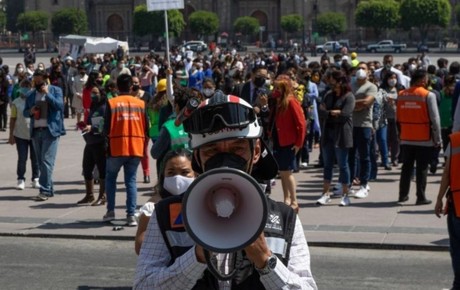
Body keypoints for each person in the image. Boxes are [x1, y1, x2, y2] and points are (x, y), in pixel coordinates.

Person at [134, 93, 317, 289]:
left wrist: (266, 261)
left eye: (237, 149)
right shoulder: (165, 215)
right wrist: (196, 258)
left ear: (255, 152)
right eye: (211, 152)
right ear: (197, 157)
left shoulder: (284, 218)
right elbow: (143, 285)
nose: (224, 161)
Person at [102, 74, 148, 226]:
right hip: (135, 147)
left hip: (116, 147)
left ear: (117, 87)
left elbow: (106, 127)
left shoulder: (112, 103)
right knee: (131, 181)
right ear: (131, 87)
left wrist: (105, 146)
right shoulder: (141, 104)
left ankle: (110, 211)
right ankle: (130, 215)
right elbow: (146, 127)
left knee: (111, 179)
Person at [135, 148, 195, 255]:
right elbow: (140, 248)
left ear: (195, 174)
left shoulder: (206, 203)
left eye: (185, 172)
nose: (177, 178)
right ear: (163, 175)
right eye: (171, 173)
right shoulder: (152, 207)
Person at [397, 69, 441, 205]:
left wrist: (400, 135)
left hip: (406, 136)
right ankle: (420, 197)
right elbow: (435, 119)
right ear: (422, 80)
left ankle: (402, 195)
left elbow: (398, 117)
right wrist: (438, 139)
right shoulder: (428, 95)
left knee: (406, 168)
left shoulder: (401, 94)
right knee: (422, 168)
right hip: (424, 138)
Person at [23, 69, 66, 201]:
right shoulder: (31, 94)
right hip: (36, 131)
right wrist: (30, 111)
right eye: (35, 80)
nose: (37, 83)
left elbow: (60, 106)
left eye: (39, 80)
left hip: (50, 131)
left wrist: (48, 95)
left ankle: (45, 190)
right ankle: (49, 189)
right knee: (41, 163)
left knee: (47, 161)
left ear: (45, 79)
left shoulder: (55, 90)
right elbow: (25, 112)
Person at [316, 71, 355, 206]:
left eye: (333, 80)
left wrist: (333, 112)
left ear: (340, 82)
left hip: (342, 135)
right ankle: (325, 194)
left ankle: (345, 195)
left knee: (343, 165)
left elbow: (345, 114)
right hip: (328, 134)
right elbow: (321, 111)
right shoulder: (328, 95)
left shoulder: (349, 97)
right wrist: (332, 112)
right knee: (327, 165)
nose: (330, 83)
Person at [268, 75, 306, 212]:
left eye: (278, 88)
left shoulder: (291, 102)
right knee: (283, 172)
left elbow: (301, 124)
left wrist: (298, 143)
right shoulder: (277, 102)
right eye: (275, 87)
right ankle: (286, 198)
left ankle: (294, 201)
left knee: (287, 172)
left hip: (288, 142)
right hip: (278, 140)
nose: (275, 90)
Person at [434, 129, 460, 290]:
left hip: (457, 205)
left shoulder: (456, 141)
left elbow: (446, 174)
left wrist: (439, 199)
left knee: (457, 249)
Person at [349, 63, 377, 199]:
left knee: (365, 156)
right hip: (350, 125)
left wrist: (350, 105)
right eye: (358, 68)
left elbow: (366, 103)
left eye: (363, 68)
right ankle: (349, 183)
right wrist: (354, 105)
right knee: (350, 156)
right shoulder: (350, 85)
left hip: (364, 125)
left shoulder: (371, 87)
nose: (360, 70)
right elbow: (344, 102)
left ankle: (364, 185)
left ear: (368, 72)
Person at [76, 85, 107, 206]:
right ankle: (89, 195)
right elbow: (90, 122)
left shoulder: (105, 108)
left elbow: (104, 125)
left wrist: (92, 127)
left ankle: (102, 195)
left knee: (102, 170)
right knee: (87, 168)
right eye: (91, 93)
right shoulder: (94, 106)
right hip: (90, 141)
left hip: (100, 142)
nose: (92, 95)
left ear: (101, 94)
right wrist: (84, 125)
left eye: (95, 93)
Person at [8, 79, 39, 190]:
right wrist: (11, 135)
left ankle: (35, 178)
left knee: (35, 158)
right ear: (20, 88)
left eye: (28, 86)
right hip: (20, 134)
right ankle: (20, 179)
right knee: (22, 158)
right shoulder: (16, 102)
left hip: (34, 133)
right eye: (24, 86)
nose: (26, 88)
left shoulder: (35, 100)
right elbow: (12, 119)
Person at [132, 76, 152, 184]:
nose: (134, 84)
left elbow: (151, 111)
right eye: (132, 82)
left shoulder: (147, 95)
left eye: (136, 82)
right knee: (133, 153)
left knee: (144, 152)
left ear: (140, 83)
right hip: (131, 128)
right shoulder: (128, 96)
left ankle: (146, 173)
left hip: (144, 127)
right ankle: (132, 174)